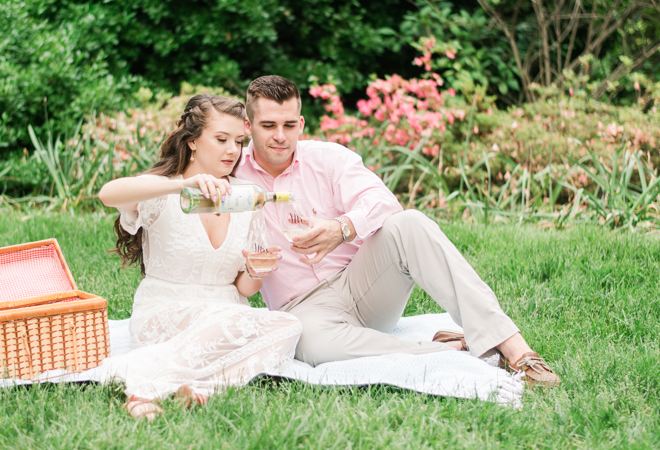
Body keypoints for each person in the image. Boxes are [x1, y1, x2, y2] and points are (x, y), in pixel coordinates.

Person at [235, 75, 560, 387]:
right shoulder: (231, 175)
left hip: (362, 284)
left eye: (289, 125)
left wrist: (342, 228)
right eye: (268, 126)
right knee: (305, 344)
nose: (280, 136)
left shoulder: (328, 158)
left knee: (409, 222)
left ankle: (515, 349)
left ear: (301, 124)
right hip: (303, 310)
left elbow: (382, 202)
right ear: (248, 126)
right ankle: (450, 350)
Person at [97, 94, 302, 420]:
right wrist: (183, 185)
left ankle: (202, 387)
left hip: (227, 311)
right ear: (192, 141)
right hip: (166, 309)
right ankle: (147, 387)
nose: (233, 150)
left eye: (238, 140)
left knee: (289, 325)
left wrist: (256, 269)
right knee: (234, 323)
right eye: (221, 139)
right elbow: (108, 194)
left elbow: (245, 289)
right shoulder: (163, 190)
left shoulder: (244, 195)